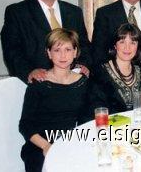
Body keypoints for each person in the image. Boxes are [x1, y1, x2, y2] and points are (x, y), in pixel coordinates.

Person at [1, 0, 91, 84]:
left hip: (73, 84)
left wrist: (83, 64)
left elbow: (84, 45)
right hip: (38, 85)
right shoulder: (17, 12)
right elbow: (12, 51)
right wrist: (29, 72)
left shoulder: (74, 12)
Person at [19, 28, 89, 172]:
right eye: (57, 50)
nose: (63, 55)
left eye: (68, 49)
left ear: (75, 52)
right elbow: (25, 125)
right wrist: (46, 146)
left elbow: (87, 119)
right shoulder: (38, 83)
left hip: (72, 142)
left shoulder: (84, 82)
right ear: (49, 53)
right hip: (41, 145)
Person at [90, 23, 141, 114]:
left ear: (137, 47)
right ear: (115, 45)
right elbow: (97, 109)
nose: (127, 47)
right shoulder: (99, 73)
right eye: (122, 42)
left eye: (132, 43)